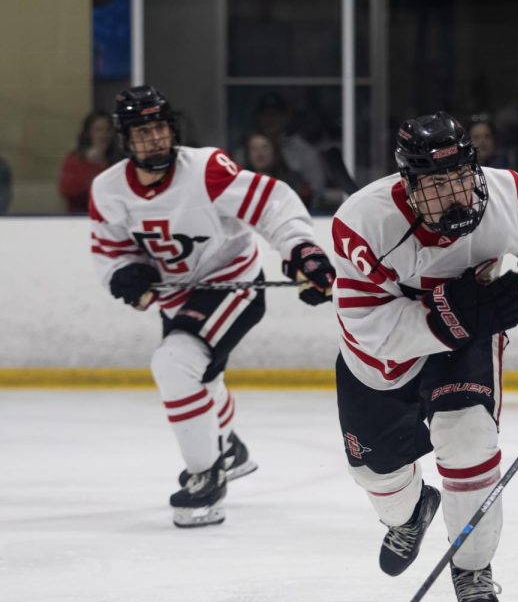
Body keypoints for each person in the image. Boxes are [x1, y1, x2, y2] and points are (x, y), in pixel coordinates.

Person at [331, 111, 518, 602]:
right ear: (409, 186)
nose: (454, 194)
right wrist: (453, 314)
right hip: (381, 357)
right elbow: (368, 327)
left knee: (468, 437)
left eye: (459, 177)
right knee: (375, 473)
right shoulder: (362, 223)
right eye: (436, 185)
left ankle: (472, 566)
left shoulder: (512, 201)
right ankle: (409, 515)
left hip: (467, 343)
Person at [88, 85, 335, 528]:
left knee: (174, 364)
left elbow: (272, 205)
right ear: (126, 141)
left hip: (232, 285)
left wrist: (303, 251)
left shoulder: (204, 169)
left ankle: (206, 475)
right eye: (142, 133)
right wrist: (124, 272)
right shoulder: (107, 190)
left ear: (172, 129)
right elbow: (110, 250)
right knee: (201, 374)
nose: (154, 139)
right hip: (179, 297)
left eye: (160, 128)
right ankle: (228, 448)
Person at [59, 111, 121, 213]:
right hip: (80, 218)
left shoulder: (119, 161)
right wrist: (90, 165)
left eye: (107, 130)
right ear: (88, 133)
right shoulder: (75, 159)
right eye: (98, 130)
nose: (103, 135)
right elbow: (67, 190)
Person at [243, 131, 314, 209]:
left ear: (274, 151)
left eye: (265, 147)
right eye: (254, 148)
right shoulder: (241, 183)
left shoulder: (293, 180)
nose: (259, 153)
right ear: (248, 154)